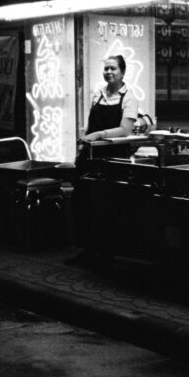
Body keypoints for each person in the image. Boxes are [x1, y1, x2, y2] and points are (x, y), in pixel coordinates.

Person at [66, 55, 139, 267]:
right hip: (89, 157)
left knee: (107, 206)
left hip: (113, 158)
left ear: (123, 72)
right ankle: (87, 249)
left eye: (113, 69)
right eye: (106, 68)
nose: (108, 72)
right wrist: (82, 146)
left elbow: (125, 130)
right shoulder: (98, 94)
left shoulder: (129, 97)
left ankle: (107, 255)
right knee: (83, 202)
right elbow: (90, 126)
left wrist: (98, 136)